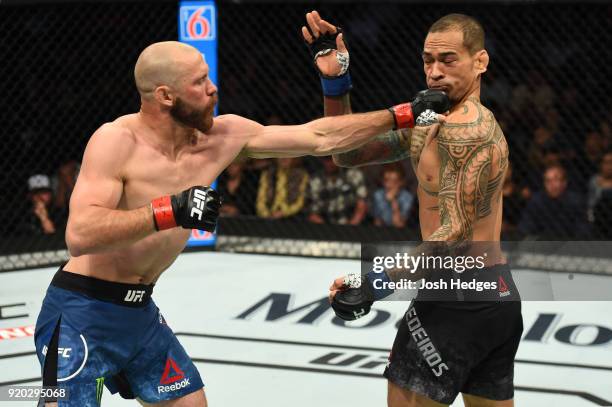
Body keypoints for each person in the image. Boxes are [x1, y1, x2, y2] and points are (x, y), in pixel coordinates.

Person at [33, 40, 449, 407]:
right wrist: (168, 211)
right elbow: (80, 235)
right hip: (80, 311)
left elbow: (319, 137)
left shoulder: (223, 137)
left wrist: (404, 114)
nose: (213, 87)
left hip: (139, 311)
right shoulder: (116, 141)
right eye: (199, 82)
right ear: (165, 95)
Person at [302, 11, 522, 407]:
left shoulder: (468, 130)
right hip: (495, 295)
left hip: (455, 299)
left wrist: (372, 281)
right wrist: (335, 81)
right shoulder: (434, 118)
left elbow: (452, 237)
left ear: (481, 61)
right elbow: (347, 153)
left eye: (448, 59)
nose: (435, 71)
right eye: (428, 60)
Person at [518, 164, 590, 238]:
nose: (552, 185)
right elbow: (525, 227)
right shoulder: (536, 201)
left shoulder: (576, 201)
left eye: (556, 180)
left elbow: (583, 230)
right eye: (548, 181)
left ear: (564, 183)